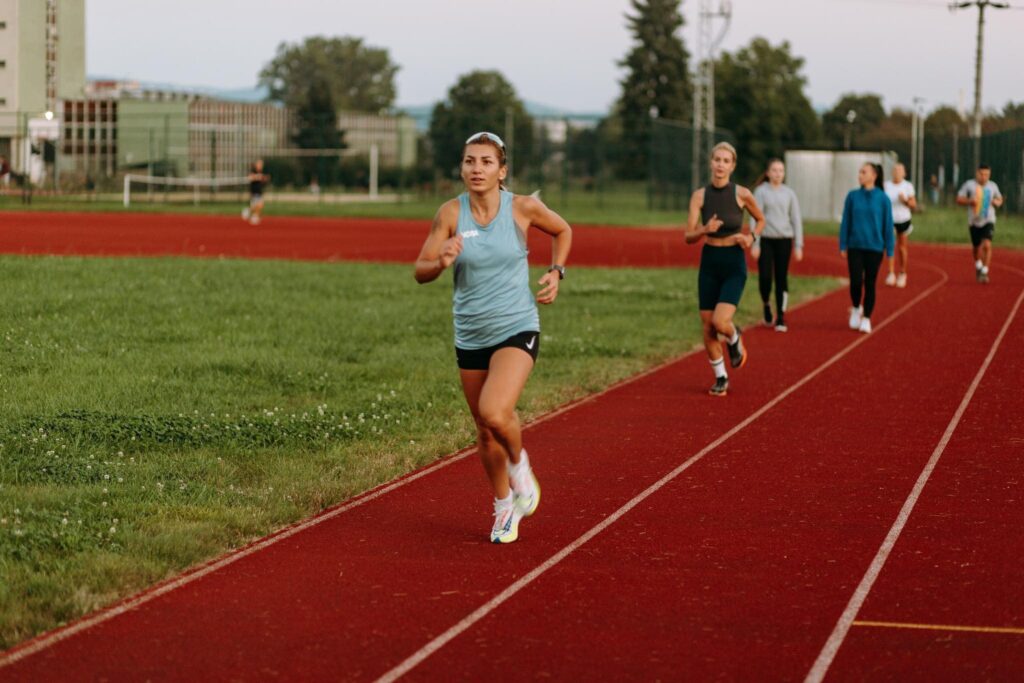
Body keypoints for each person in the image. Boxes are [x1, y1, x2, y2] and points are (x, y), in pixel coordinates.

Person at [414, 132, 572, 544]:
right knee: (485, 429)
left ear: (502, 171)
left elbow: (563, 230)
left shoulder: (522, 207)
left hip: (517, 325)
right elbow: (420, 269)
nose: (476, 169)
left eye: (486, 162)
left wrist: (557, 272)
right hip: (470, 333)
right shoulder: (450, 213)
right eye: (470, 161)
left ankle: (520, 469)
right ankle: (504, 506)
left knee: (495, 410)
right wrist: (441, 261)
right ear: (462, 167)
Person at [685, 142, 765, 397]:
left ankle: (734, 336)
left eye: (726, 161)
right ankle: (721, 377)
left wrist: (751, 237)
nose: (720, 164)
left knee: (721, 322)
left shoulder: (741, 194)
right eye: (717, 159)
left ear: (732, 166)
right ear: (711, 162)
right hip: (709, 261)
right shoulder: (699, 196)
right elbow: (688, 235)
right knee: (708, 327)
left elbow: (761, 219)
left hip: (733, 261)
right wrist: (703, 230)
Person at [840, 163, 894, 334]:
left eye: (864, 172)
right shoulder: (852, 196)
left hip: (875, 248)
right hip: (855, 246)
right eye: (859, 172)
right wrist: (843, 244)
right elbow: (845, 221)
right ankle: (856, 308)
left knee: (870, 283)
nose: (860, 175)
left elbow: (887, 225)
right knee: (856, 281)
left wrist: (890, 250)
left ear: (874, 175)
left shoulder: (883, 199)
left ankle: (867, 318)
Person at [750, 158, 803, 332]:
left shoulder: (790, 193)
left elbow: (796, 219)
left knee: (781, 278)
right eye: (774, 170)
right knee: (765, 278)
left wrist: (798, 245)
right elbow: (755, 217)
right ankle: (766, 304)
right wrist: (754, 242)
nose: (778, 173)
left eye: (781, 170)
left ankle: (780, 316)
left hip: (784, 240)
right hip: (765, 240)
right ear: (768, 172)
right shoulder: (761, 191)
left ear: (784, 173)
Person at [956, 164, 1003, 284]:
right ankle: (978, 265)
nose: (984, 177)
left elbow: (1000, 198)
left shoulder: (993, 186)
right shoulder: (969, 185)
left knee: (987, 245)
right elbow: (959, 199)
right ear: (977, 173)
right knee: (976, 248)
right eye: (982, 174)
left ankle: (984, 271)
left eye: (986, 174)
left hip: (988, 220)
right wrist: (969, 201)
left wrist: (997, 202)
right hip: (974, 221)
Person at [883, 162, 916, 288]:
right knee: (890, 246)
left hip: (903, 219)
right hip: (889, 220)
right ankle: (891, 273)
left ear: (904, 173)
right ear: (892, 172)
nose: (897, 172)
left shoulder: (907, 186)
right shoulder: (886, 185)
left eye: (899, 170)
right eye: (895, 170)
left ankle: (902, 273)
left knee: (902, 247)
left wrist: (905, 201)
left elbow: (914, 204)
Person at [242, 159, 269, 225]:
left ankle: (248, 212)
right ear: (256, 165)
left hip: (259, 191)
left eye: (261, 164)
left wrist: (264, 179)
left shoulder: (261, 172)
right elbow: (250, 177)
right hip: (254, 191)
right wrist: (258, 177)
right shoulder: (253, 171)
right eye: (259, 164)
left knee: (257, 205)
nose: (261, 166)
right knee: (259, 205)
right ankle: (254, 217)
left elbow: (264, 179)